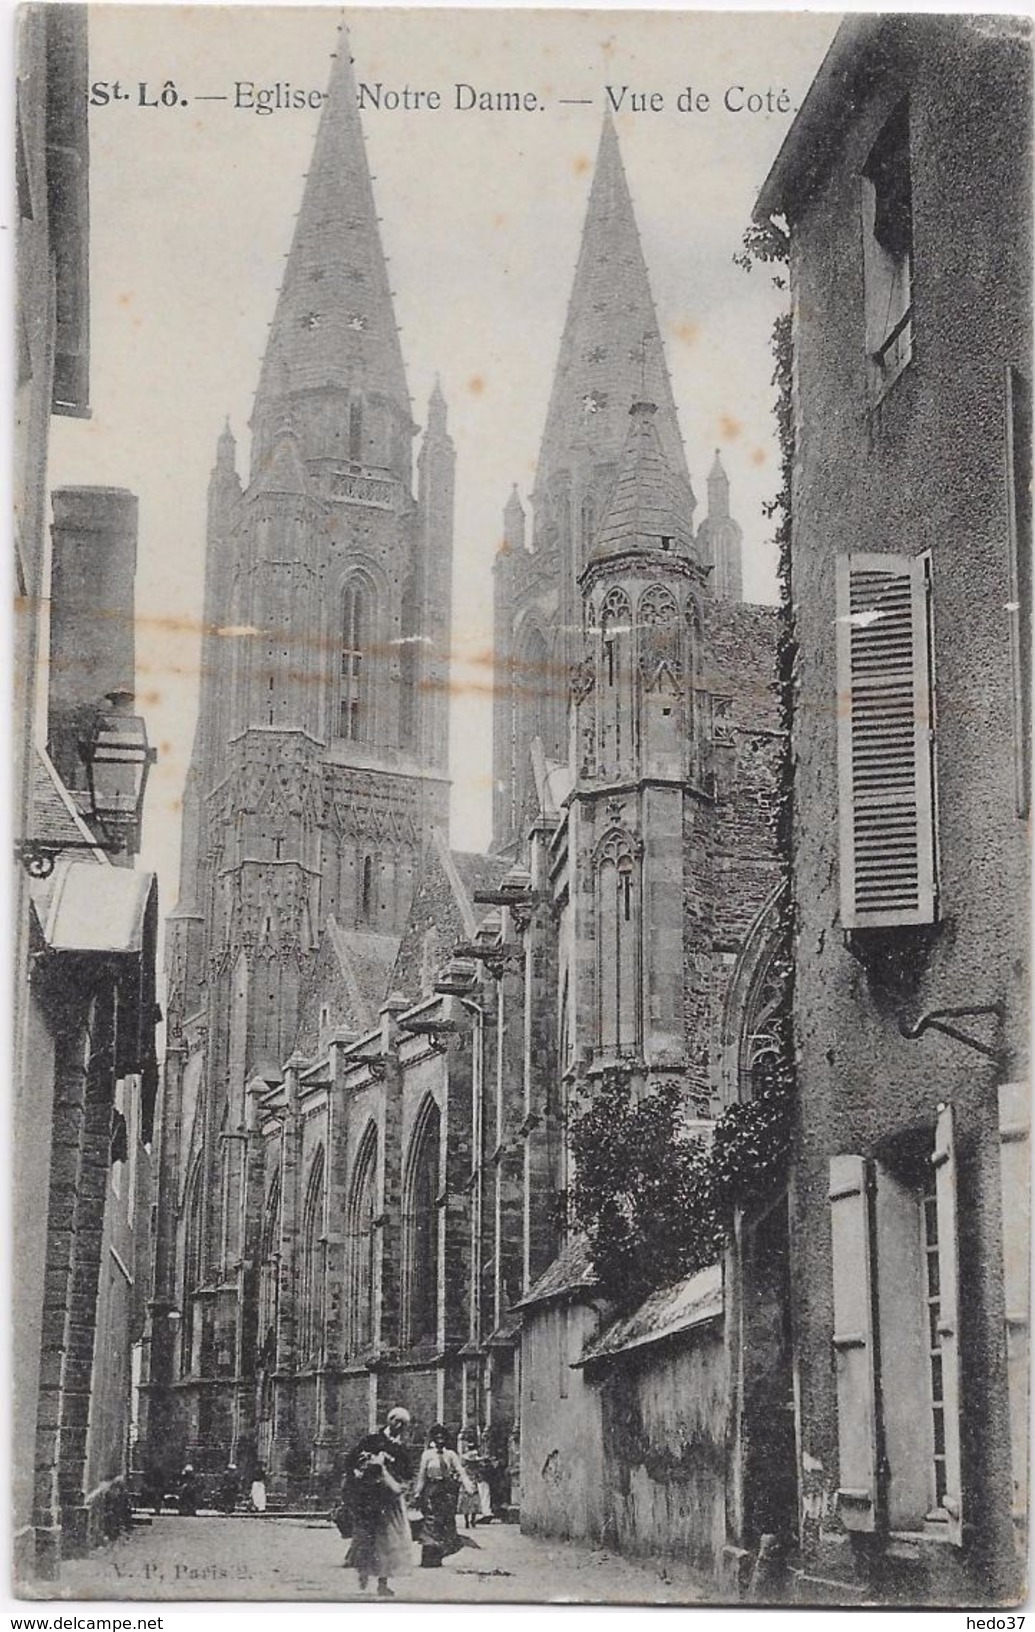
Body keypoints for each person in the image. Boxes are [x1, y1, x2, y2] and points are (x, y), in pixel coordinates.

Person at [342, 1406, 413, 1596]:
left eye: (403, 1424)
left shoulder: (401, 1449)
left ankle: (383, 1582)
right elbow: (350, 1459)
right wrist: (357, 1473)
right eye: (396, 1421)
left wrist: (392, 1472)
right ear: (389, 1420)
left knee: (388, 1541)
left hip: (389, 1500)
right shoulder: (372, 1440)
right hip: (369, 1496)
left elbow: (407, 1473)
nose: (399, 1426)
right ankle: (363, 1571)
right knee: (366, 1537)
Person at [413, 1424, 475, 1567]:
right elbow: (422, 1475)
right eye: (437, 1437)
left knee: (445, 1522)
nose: (440, 1440)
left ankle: (439, 1555)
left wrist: (468, 1485)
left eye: (443, 1437)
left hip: (446, 1491)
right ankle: (428, 1558)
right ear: (433, 1438)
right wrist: (417, 1493)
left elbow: (460, 1470)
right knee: (431, 1523)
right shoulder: (427, 1455)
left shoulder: (450, 1454)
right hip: (431, 1490)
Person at [457, 1428, 481, 1529]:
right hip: (471, 1483)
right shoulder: (472, 1466)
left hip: (468, 1483)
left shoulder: (468, 1465)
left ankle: (469, 1520)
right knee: (471, 1503)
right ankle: (471, 1520)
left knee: (469, 1503)